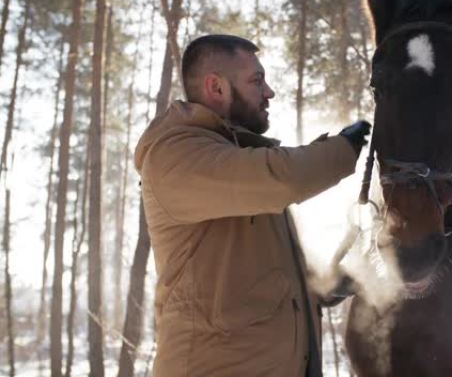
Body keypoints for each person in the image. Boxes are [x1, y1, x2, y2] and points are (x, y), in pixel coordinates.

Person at [134, 34, 370, 377]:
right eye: (256, 81)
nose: (269, 91)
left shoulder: (239, 162)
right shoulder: (174, 155)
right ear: (216, 87)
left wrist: (320, 286)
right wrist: (344, 148)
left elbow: (256, 278)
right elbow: (281, 177)